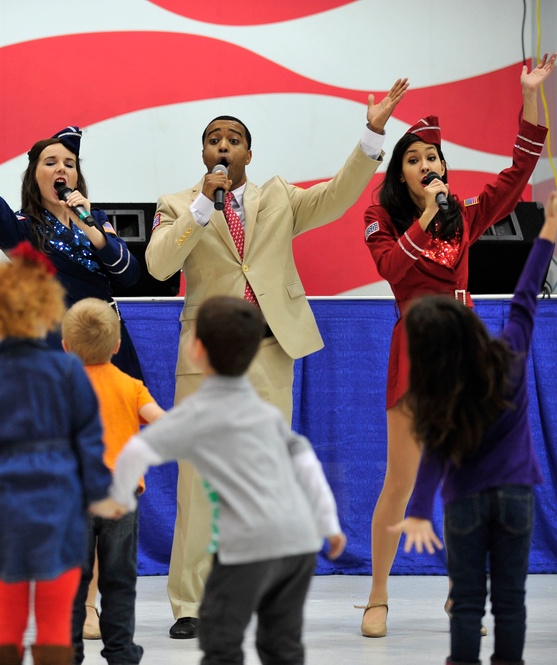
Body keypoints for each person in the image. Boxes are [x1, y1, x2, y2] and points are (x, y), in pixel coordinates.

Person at [146, 77, 409, 639]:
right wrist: (198, 208)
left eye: (233, 138)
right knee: (197, 480)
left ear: (249, 152)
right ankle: (189, 603)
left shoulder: (281, 197)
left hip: (269, 351)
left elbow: (339, 196)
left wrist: (372, 131)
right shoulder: (175, 205)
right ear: (203, 152)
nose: (223, 145)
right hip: (207, 360)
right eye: (213, 138)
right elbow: (160, 266)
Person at [0, 65, 143, 641]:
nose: (61, 168)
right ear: (34, 173)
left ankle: (92, 601)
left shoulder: (96, 223)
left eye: (69, 162)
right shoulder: (25, 230)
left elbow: (127, 273)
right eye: (50, 161)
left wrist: (88, 224)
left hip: (104, 363)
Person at [361, 52, 557, 638]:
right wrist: (425, 217)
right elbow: (394, 272)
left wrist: (529, 96)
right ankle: (377, 597)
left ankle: (461, 587)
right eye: (415, 159)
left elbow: (520, 170)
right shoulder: (381, 217)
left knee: (469, 474)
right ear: (400, 175)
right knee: (402, 478)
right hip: (415, 351)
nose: (428, 164)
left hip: (467, 355)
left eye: (434, 158)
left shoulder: (467, 217)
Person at [391, 182, 557, 665]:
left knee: (468, 602)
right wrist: (550, 224)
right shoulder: (511, 351)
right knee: (511, 601)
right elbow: (526, 295)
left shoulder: (439, 387)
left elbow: (433, 451)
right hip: (516, 497)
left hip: (464, 503)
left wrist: (416, 511)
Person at [106, 295, 346, 664]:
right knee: (282, 642)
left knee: (220, 638)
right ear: (255, 354)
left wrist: (119, 498)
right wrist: (329, 522)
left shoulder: (198, 414)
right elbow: (305, 464)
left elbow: (138, 452)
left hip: (246, 546)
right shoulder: (265, 415)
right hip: (297, 543)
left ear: (196, 351)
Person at [0, 242, 121, 665]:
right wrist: (101, 490)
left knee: (9, 621)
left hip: (4, 508)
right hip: (60, 507)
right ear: (51, 308)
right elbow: (90, 439)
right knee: (53, 623)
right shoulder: (70, 370)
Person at [60, 298, 166, 665]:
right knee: (120, 581)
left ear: (65, 346)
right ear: (117, 345)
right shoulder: (131, 386)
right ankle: (120, 651)